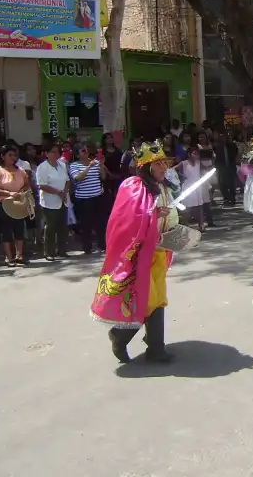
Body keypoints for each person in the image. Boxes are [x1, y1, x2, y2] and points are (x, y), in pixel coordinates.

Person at [90, 141, 181, 363]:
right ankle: (119, 336)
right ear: (147, 166)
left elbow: (171, 215)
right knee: (146, 300)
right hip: (140, 255)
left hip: (160, 250)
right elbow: (128, 221)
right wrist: (154, 216)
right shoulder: (133, 185)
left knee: (158, 299)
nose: (164, 168)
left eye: (164, 164)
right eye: (159, 164)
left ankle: (156, 349)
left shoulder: (163, 187)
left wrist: (175, 231)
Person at [0, 144, 31, 267]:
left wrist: (20, 192)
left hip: (18, 203)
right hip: (3, 204)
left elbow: (27, 184)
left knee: (19, 229)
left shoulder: (20, 170)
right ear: (3, 156)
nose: (13, 157)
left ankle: (19, 255)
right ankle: (9, 257)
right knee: (6, 231)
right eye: (10, 155)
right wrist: (9, 193)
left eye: (14, 155)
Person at [69, 143, 109, 254]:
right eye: (83, 151)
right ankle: (87, 247)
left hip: (98, 196)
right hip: (83, 199)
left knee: (100, 223)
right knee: (86, 224)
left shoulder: (95, 162)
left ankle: (102, 245)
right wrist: (89, 167)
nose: (86, 152)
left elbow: (103, 177)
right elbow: (77, 178)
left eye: (86, 150)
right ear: (77, 154)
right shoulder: (74, 165)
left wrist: (101, 165)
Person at [36, 143, 71, 261]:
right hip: (49, 201)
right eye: (53, 152)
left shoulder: (62, 165)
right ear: (46, 154)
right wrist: (57, 192)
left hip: (63, 200)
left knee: (63, 226)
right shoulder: (42, 167)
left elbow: (67, 180)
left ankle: (62, 250)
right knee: (50, 227)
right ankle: (48, 252)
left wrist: (64, 192)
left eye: (57, 152)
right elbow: (42, 185)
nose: (56, 154)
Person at [179, 147, 206, 231]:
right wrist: (181, 176)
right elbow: (173, 170)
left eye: (197, 154)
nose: (196, 156)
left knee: (199, 205)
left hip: (197, 186)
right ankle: (186, 225)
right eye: (194, 153)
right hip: (188, 186)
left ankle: (201, 224)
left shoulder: (199, 163)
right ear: (189, 154)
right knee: (187, 206)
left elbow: (204, 169)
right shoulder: (184, 163)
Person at [213, 131, 239, 206]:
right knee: (222, 184)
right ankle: (227, 197)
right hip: (221, 168)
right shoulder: (217, 147)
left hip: (231, 167)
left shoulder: (233, 146)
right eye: (222, 137)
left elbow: (236, 155)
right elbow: (215, 157)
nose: (223, 138)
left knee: (231, 184)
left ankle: (232, 198)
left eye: (225, 137)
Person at [100, 132, 125, 205]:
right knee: (109, 198)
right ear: (104, 140)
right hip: (108, 176)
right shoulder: (102, 152)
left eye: (111, 137)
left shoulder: (118, 150)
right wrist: (109, 174)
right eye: (108, 138)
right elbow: (102, 165)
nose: (110, 139)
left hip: (118, 175)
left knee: (118, 196)